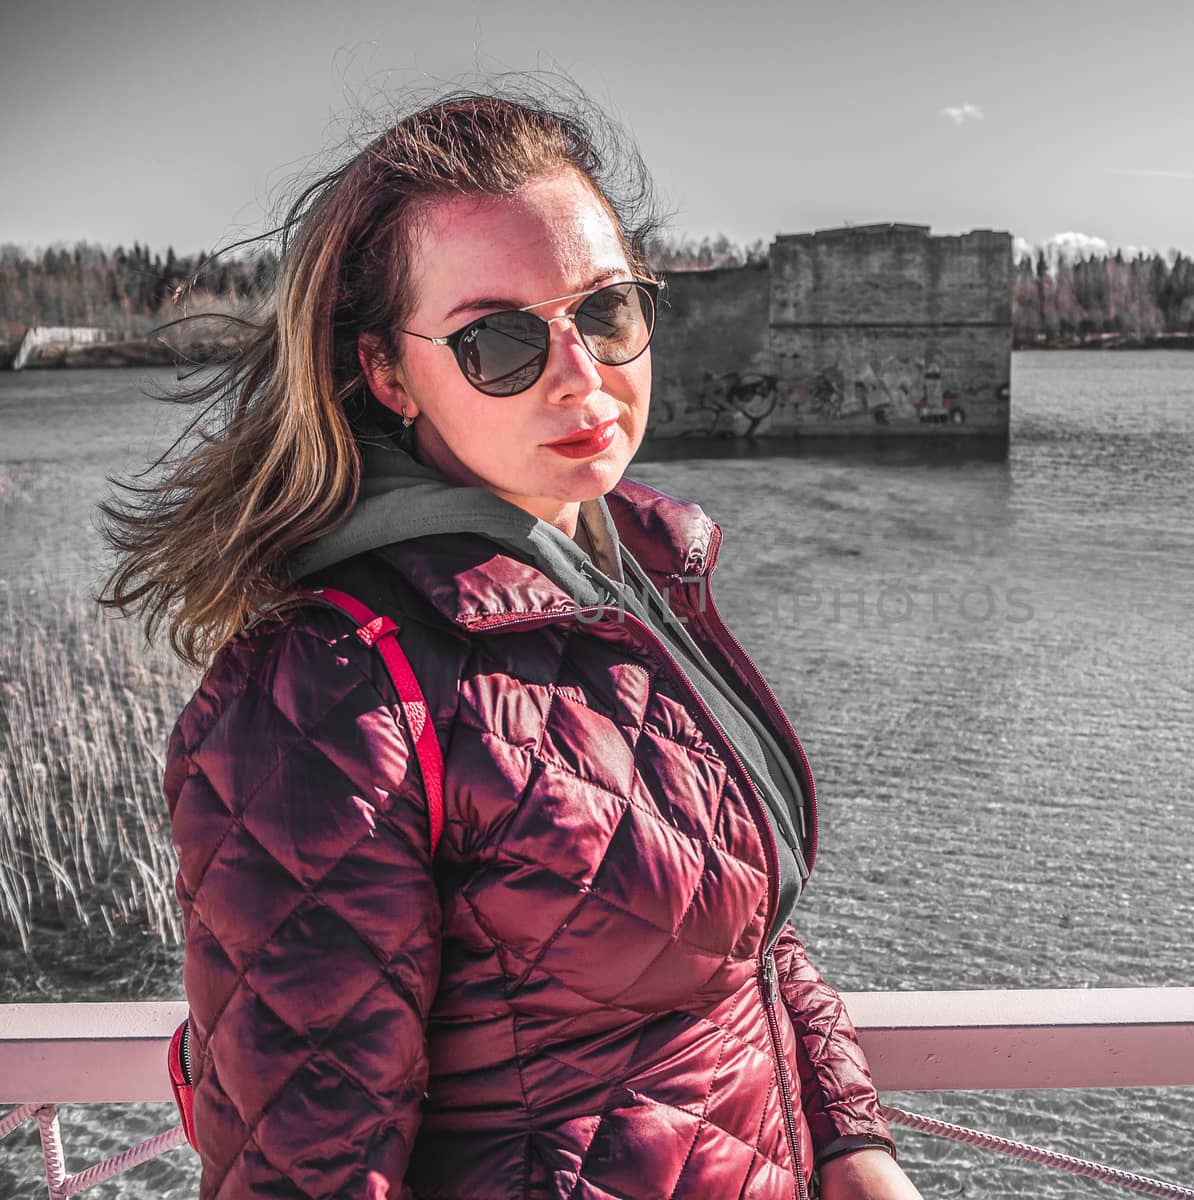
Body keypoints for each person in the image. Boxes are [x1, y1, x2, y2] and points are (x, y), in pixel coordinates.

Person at [101, 86, 922, 1200]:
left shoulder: (628, 578)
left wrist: (853, 1148)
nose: (581, 375)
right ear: (385, 372)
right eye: (497, 340)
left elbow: (737, 937)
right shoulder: (326, 695)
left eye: (608, 311)